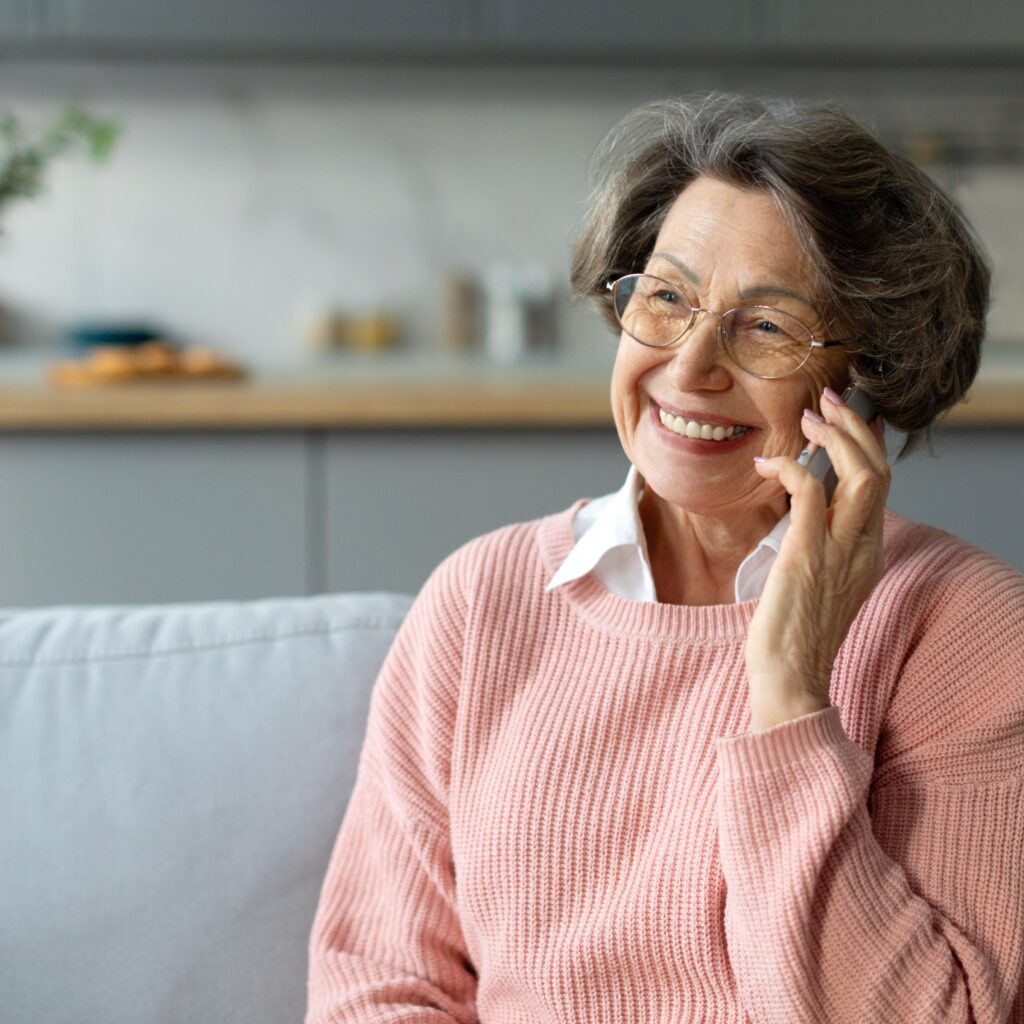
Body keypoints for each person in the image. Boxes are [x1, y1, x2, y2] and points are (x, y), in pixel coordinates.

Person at [305, 93, 1024, 1023]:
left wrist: (792, 694)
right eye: (667, 298)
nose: (689, 369)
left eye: (767, 326)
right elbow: (379, 984)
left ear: (868, 377)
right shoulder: (482, 600)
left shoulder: (971, 635)